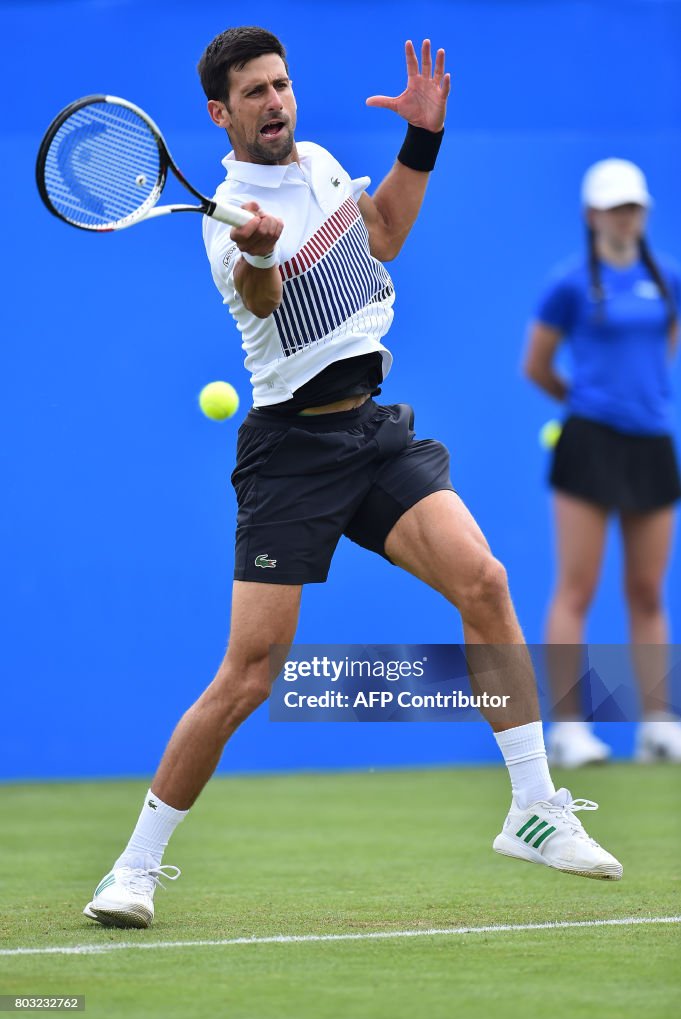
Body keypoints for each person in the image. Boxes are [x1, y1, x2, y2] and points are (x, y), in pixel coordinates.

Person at [83, 27, 622, 930]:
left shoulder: (324, 162)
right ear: (221, 113)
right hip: (289, 453)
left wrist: (421, 140)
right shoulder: (226, 216)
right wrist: (257, 252)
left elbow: (384, 234)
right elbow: (260, 297)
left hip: (372, 432)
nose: (275, 103)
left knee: (484, 583)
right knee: (250, 677)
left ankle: (534, 809)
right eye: (254, 93)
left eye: (281, 85)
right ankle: (132, 870)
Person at [525, 158, 681, 769]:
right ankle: (568, 729)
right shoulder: (567, 286)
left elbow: (660, 355)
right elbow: (537, 365)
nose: (626, 217)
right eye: (616, 208)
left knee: (646, 588)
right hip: (588, 442)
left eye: (634, 207)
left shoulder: (667, 281)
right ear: (593, 216)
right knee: (577, 586)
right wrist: (586, 405)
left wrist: (636, 402)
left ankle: (660, 724)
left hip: (650, 445)